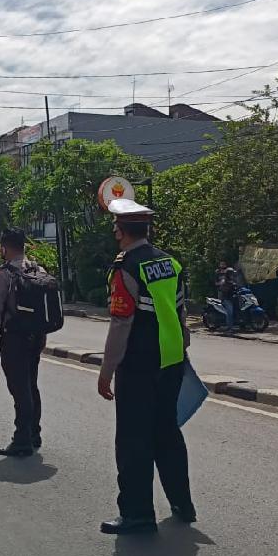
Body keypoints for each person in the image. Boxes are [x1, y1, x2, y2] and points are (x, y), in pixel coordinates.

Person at [98, 198, 196, 535]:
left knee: (133, 439)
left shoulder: (126, 267)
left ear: (121, 231)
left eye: (115, 228)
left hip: (138, 364)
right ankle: (183, 504)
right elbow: (181, 314)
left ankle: (138, 514)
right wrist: (181, 350)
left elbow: (121, 324)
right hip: (171, 360)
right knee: (167, 432)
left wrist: (106, 370)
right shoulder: (171, 263)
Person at [0, 228, 45, 457]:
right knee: (31, 384)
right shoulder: (37, 269)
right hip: (36, 338)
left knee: (19, 389)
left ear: (4, 247)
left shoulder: (5, 274)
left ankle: (22, 439)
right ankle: (34, 432)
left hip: (14, 339)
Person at [215, 261, 238, 333]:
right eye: (231, 274)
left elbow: (236, 284)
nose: (232, 275)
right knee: (229, 312)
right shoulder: (224, 280)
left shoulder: (231, 281)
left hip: (231, 297)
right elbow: (219, 285)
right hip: (226, 297)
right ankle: (229, 327)